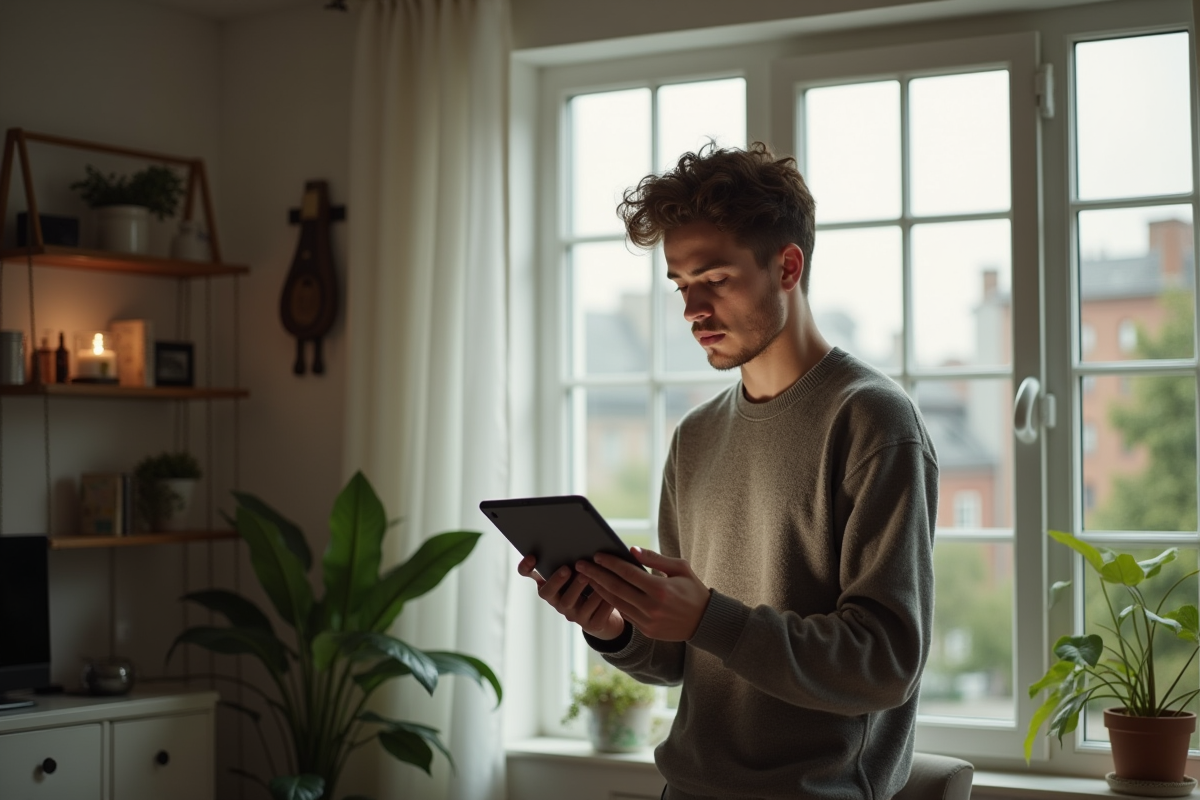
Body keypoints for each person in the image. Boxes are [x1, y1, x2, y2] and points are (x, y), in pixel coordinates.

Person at [518, 142, 938, 800]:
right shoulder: (696, 437)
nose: (692, 310)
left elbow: (884, 663)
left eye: (714, 279)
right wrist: (613, 624)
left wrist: (710, 616)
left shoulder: (873, 421)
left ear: (787, 267)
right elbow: (678, 658)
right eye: (682, 285)